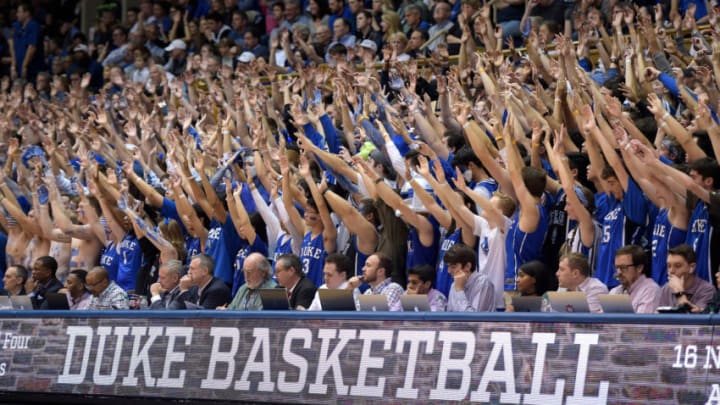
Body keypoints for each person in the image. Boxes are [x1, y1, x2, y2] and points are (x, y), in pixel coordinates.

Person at [658, 244, 715, 312]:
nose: (671, 271)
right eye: (669, 266)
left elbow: (695, 320)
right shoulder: (666, 289)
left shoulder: (707, 290)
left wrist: (679, 293)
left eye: (677, 266)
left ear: (692, 267)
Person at [609, 245, 660, 314]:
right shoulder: (615, 291)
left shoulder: (650, 290)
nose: (619, 272)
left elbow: (642, 323)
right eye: (617, 267)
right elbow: (601, 321)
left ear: (639, 268)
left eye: (623, 267)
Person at [444, 244, 495, 312]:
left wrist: (459, 290)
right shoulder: (454, 285)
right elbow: (449, 316)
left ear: (468, 266)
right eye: (448, 266)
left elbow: (474, 319)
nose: (449, 271)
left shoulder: (484, 283)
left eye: (453, 267)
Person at [10, 2, 45, 82]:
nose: (17, 14)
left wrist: (24, 65)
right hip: (17, 68)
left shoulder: (34, 26)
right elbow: (12, 45)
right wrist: (13, 66)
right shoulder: (16, 26)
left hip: (31, 69)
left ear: (27, 13)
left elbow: (32, 47)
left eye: (19, 12)